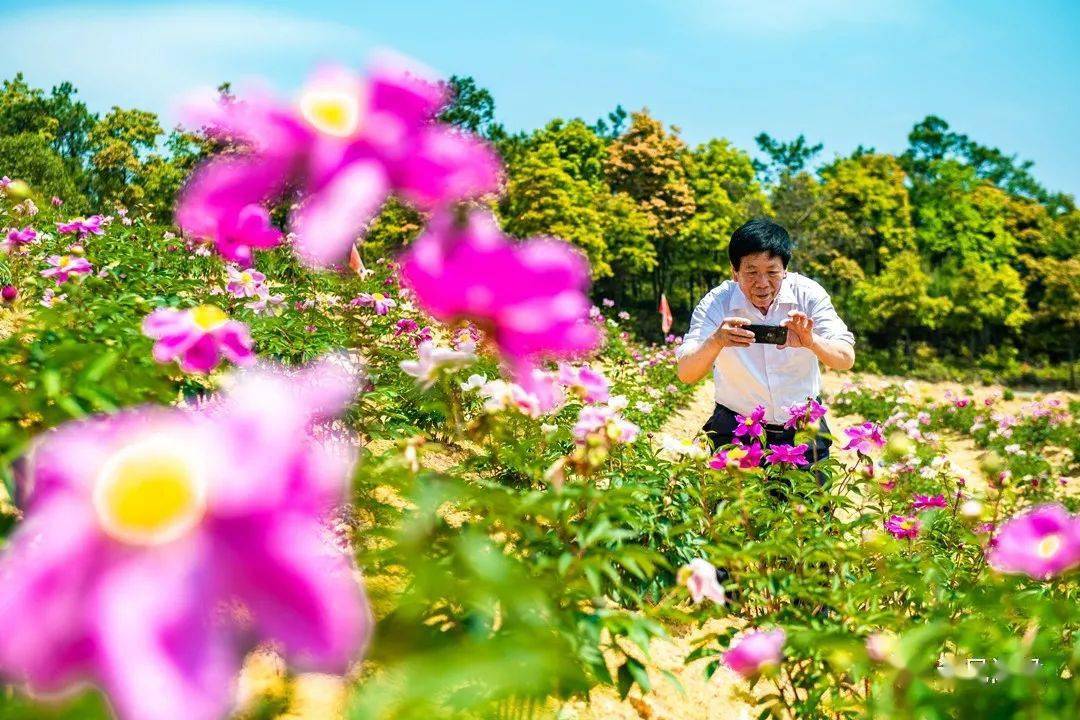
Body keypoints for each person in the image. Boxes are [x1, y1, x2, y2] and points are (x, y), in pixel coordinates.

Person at [676, 218, 855, 458]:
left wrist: (811, 341)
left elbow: (846, 358)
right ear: (734, 272)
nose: (762, 284)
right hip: (737, 427)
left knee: (811, 496)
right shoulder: (717, 303)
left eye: (772, 272)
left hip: (803, 427)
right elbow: (686, 373)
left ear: (785, 270)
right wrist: (716, 341)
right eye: (751, 272)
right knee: (732, 496)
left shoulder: (809, 294)